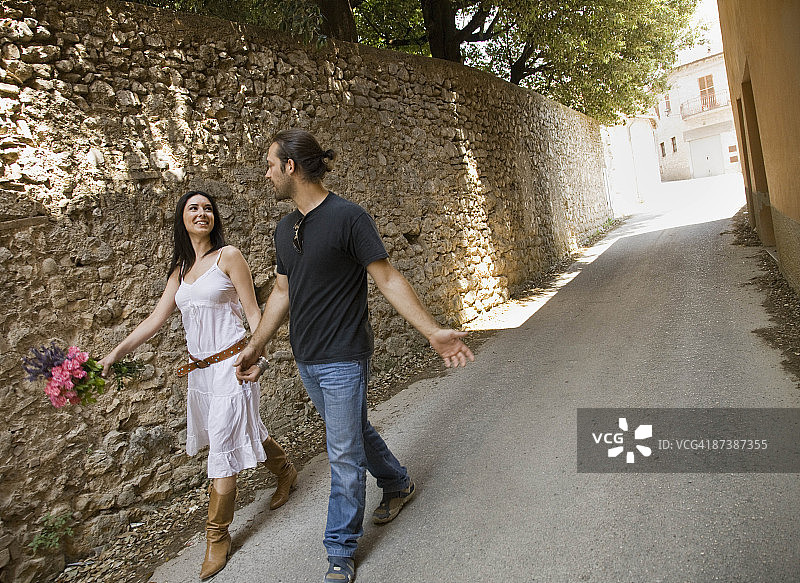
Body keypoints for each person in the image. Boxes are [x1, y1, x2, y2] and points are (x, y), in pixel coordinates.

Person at [235, 129, 474, 583]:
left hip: (344, 356)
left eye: (270, 164)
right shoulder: (286, 229)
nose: (265, 173)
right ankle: (398, 483)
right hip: (306, 358)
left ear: (291, 167)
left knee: (341, 453)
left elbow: (386, 278)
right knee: (353, 433)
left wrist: (432, 331)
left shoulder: (348, 217)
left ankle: (339, 550)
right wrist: (256, 344)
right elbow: (282, 292)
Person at [98, 190, 298, 580]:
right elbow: (155, 319)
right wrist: (116, 353)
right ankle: (286, 470)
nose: (202, 213)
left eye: (208, 208)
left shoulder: (229, 257)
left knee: (223, 445)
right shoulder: (180, 270)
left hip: (234, 365)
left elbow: (256, 314)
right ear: (182, 219)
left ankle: (217, 536)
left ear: (214, 218)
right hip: (201, 374)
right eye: (194, 208)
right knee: (246, 430)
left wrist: (261, 358)